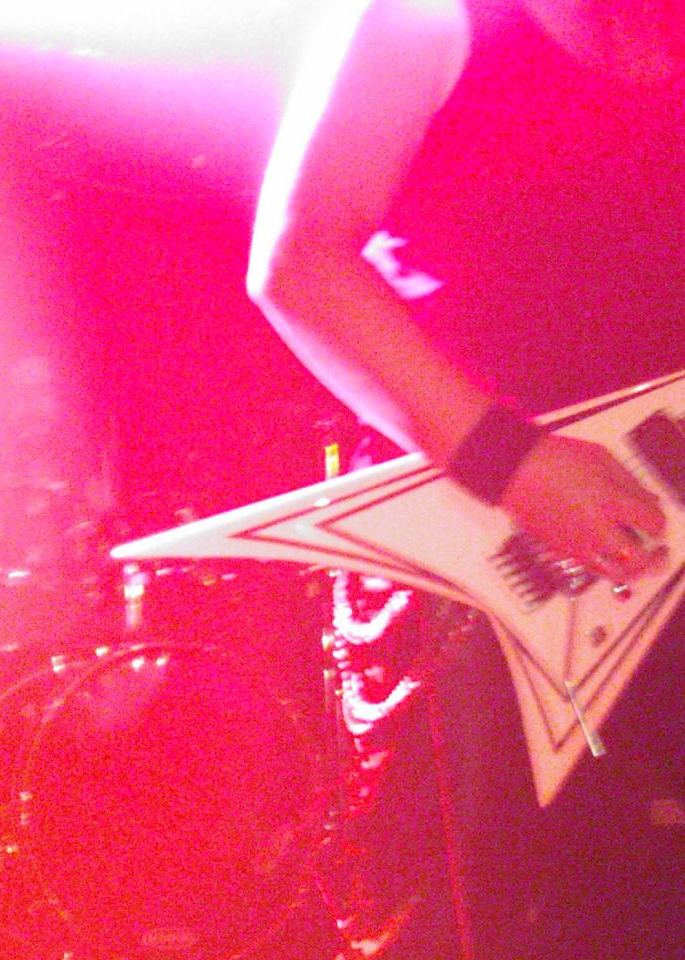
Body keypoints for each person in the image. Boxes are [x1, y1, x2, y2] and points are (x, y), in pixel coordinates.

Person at [248, 1, 685, 957]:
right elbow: (298, 262)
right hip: (480, 565)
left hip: (660, 562)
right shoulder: (429, 16)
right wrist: (510, 462)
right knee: (484, 912)